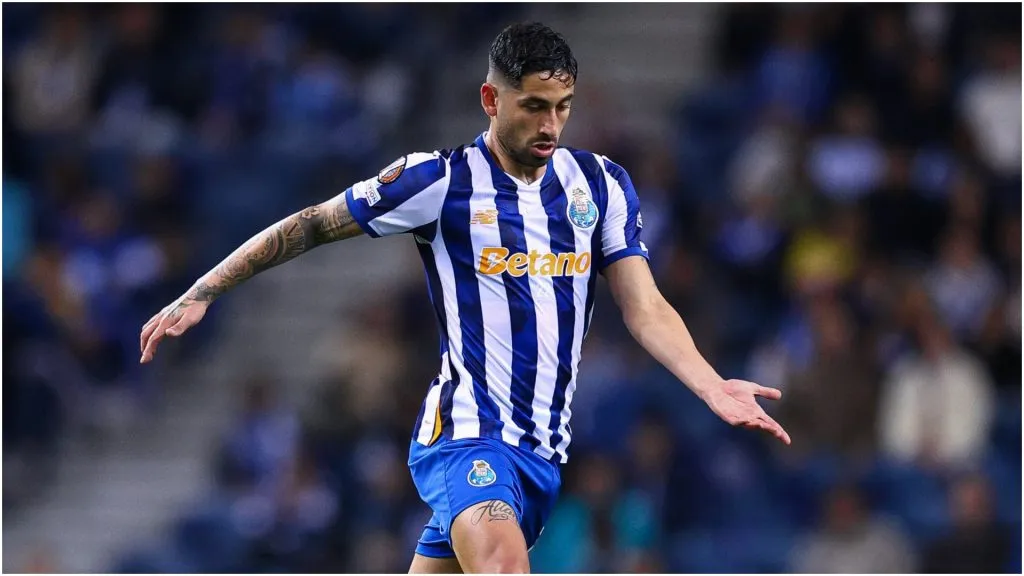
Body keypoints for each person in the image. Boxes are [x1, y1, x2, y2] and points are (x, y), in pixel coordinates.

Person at [139, 22, 790, 574]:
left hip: (542, 453)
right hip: (467, 438)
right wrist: (204, 289)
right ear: (490, 98)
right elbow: (313, 223)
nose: (551, 124)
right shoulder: (438, 180)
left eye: (562, 106)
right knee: (506, 568)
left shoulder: (601, 185)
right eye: (534, 106)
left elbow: (644, 306)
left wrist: (710, 384)